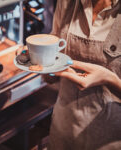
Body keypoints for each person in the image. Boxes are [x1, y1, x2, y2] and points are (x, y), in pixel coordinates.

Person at [46, 0, 121, 149]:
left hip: (109, 140)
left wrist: (109, 78)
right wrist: (38, 56)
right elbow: (55, 52)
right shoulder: (67, 3)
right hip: (62, 132)